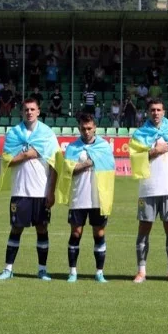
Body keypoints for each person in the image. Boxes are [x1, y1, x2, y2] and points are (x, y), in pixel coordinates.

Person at [0, 97, 62, 281]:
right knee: (16, 228)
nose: (29, 112)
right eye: (26, 109)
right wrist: (27, 154)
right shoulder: (14, 133)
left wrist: (51, 191)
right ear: (22, 112)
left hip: (41, 192)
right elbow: (7, 161)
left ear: (38, 111)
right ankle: (8, 269)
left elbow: (55, 165)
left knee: (42, 229)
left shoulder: (47, 134)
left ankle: (42, 270)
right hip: (20, 191)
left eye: (33, 109)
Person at [129, 98, 168, 284]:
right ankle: (141, 271)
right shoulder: (140, 134)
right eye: (152, 110)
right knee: (144, 228)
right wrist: (155, 151)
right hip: (147, 188)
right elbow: (134, 158)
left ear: (164, 112)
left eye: (159, 110)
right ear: (148, 112)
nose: (155, 113)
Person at [56, 113, 115, 283]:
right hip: (78, 197)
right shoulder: (73, 147)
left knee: (99, 233)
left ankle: (99, 272)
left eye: (89, 128)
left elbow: (110, 168)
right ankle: (73, 272)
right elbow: (68, 170)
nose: (86, 131)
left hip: (98, 197)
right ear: (79, 128)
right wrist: (86, 164)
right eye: (83, 128)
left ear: (95, 127)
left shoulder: (104, 147)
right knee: (76, 233)